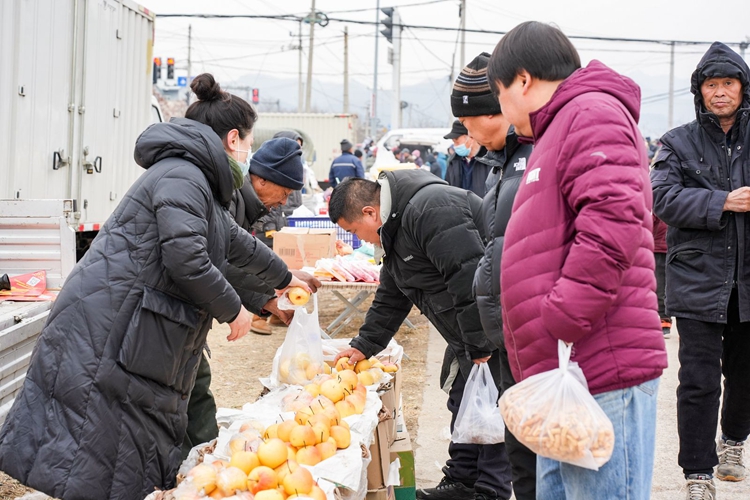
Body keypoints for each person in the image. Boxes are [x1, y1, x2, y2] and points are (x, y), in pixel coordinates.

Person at [0, 73, 310, 500]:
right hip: (112, 324)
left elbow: (232, 241)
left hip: (131, 324)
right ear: (234, 138)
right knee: (98, 446)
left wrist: (285, 277)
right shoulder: (184, 174)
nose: (247, 152)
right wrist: (234, 310)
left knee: (115, 449)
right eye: (248, 141)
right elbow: (188, 258)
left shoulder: (196, 177)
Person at [489, 21, 667, 499]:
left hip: (600, 362)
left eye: (500, 95)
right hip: (567, 372)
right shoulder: (557, 128)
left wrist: (564, 314)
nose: (504, 114)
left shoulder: (591, 113)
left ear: (523, 81)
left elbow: (615, 220)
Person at [329, 172, 512, 500]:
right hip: (467, 331)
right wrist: (364, 346)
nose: (360, 239)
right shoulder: (395, 228)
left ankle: (490, 491)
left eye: (355, 231)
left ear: (371, 212)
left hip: (494, 327)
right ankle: (462, 482)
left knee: (489, 406)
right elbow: (392, 294)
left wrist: (480, 345)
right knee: (463, 399)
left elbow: (469, 279)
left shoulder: (431, 210)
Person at [182, 136, 323, 461]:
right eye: (284, 192)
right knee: (189, 394)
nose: (285, 200)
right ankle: (195, 469)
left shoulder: (245, 204)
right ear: (260, 178)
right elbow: (221, 262)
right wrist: (250, 305)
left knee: (195, 391)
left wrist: (279, 286)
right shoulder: (226, 202)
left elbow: (244, 253)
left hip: (188, 320)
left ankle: (201, 465)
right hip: (174, 316)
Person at [651, 41, 750, 498]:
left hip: (747, 280)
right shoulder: (677, 141)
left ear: (742, 88)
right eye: (713, 84)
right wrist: (722, 201)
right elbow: (661, 199)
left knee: (745, 371)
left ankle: (732, 441)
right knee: (698, 380)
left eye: (729, 83)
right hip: (697, 280)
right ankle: (697, 473)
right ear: (701, 92)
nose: (721, 92)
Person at [450, 51, 536, 500]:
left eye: (468, 123)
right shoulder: (497, 166)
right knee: (521, 449)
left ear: (499, 110)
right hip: (507, 331)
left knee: (544, 456)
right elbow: (495, 245)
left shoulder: (536, 156)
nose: (465, 135)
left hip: (536, 331)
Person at [444, 119, 492, 197]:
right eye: (453, 142)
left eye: (457, 141)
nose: (455, 146)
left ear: (470, 138)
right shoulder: (453, 162)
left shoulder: (490, 159)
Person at [652, 214, 671, 338]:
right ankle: (664, 320)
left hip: (676, 250)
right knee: (660, 286)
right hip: (659, 249)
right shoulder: (660, 200)